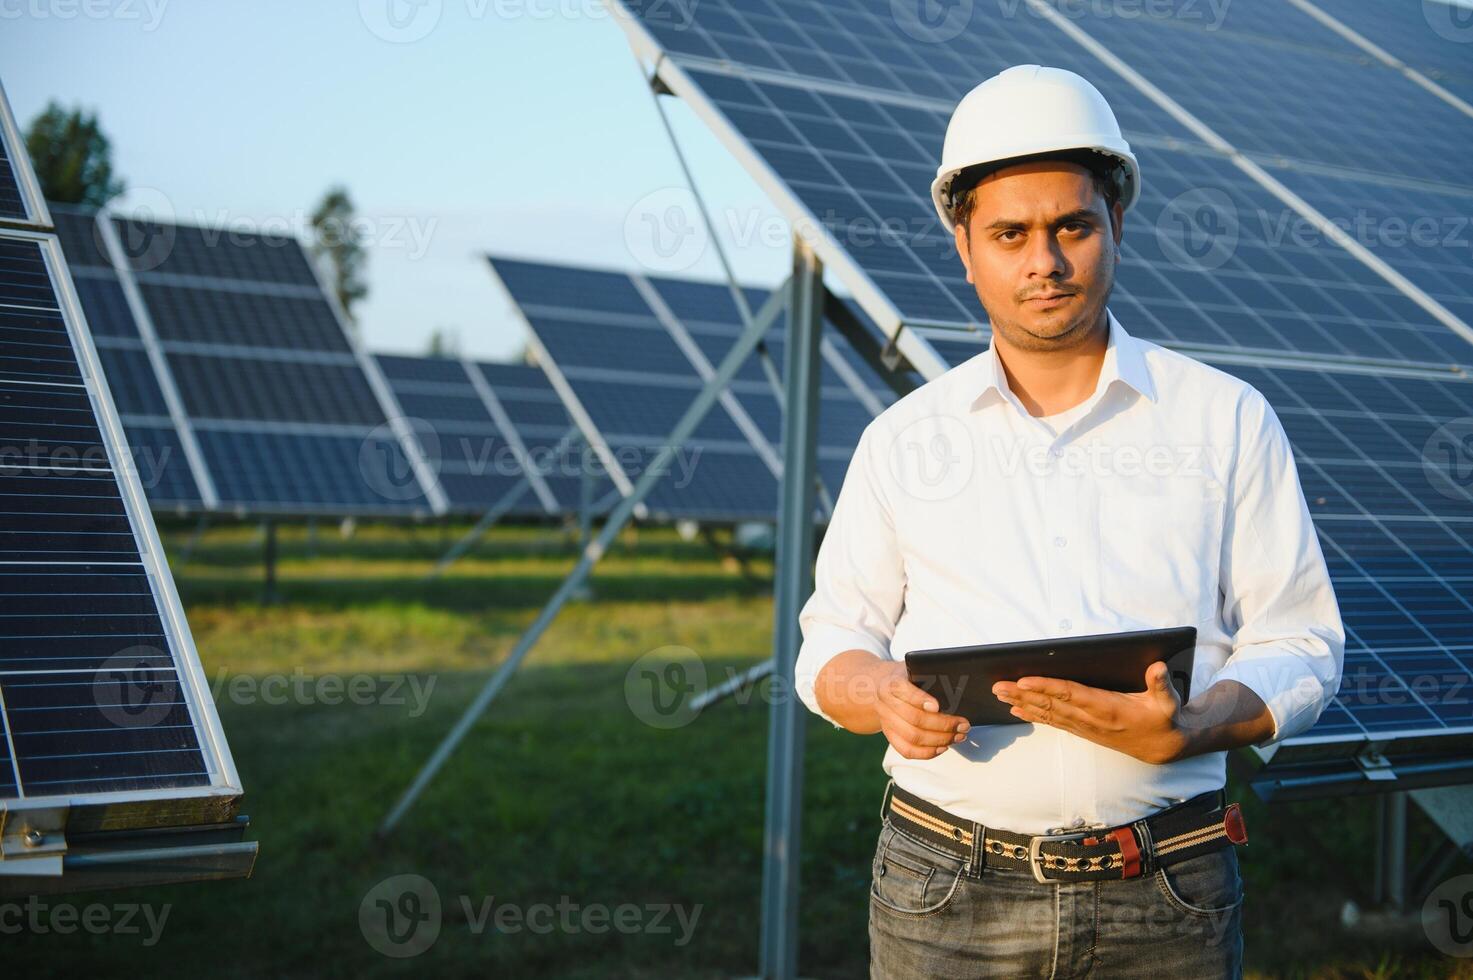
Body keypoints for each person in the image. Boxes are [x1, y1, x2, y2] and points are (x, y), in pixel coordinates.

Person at [793, 64, 1345, 979]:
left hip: (1168, 883)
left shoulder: (1225, 418)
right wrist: (877, 693)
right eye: (1009, 234)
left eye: (1071, 227)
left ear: (1114, 226)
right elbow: (832, 640)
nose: (1043, 263)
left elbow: (1301, 641)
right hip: (944, 895)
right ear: (963, 247)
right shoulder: (901, 441)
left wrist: (1196, 724)